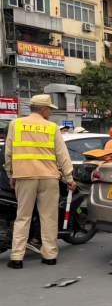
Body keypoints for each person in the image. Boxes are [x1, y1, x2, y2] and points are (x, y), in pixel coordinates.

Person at [3, 94, 76, 269]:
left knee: (23, 217)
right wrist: (69, 178)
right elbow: (62, 156)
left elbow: (9, 152)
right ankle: (49, 256)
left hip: (24, 177)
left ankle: (16, 258)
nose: (50, 112)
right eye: (50, 109)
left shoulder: (16, 124)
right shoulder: (52, 128)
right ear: (43, 110)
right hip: (49, 178)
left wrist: (11, 174)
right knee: (48, 217)